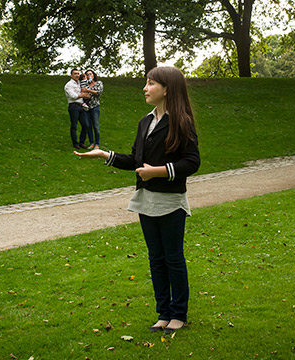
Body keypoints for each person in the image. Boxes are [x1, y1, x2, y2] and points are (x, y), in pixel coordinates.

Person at [74, 66, 200, 334]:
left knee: (173, 258)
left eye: (151, 83)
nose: (145, 88)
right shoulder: (145, 122)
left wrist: (158, 172)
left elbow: (192, 161)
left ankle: (179, 314)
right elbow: (134, 160)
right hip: (146, 201)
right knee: (155, 258)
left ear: (167, 89)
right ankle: (163, 313)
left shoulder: (182, 121)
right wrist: (103, 155)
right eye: (146, 82)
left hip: (170, 202)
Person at [64, 69, 90, 149]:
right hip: (73, 106)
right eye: (75, 74)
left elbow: (87, 94)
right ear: (71, 75)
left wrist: (83, 94)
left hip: (81, 105)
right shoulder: (68, 85)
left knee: (86, 125)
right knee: (74, 125)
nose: (77, 75)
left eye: (78, 73)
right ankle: (75, 143)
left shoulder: (80, 83)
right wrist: (82, 95)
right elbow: (73, 96)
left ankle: (81, 142)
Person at [82, 69, 103, 149]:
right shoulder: (85, 83)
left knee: (96, 125)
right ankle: (91, 143)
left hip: (95, 107)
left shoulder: (99, 83)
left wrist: (88, 90)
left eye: (90, 74)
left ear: (93, 75)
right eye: (87, 74)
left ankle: (97, 144)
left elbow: (98, 92)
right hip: (86, 107)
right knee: (88, 125)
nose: (89, 76)